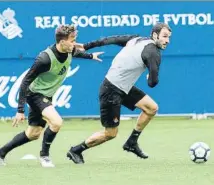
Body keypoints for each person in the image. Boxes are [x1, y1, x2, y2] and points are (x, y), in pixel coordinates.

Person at [0, 24, 104, 167]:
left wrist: (90, 56)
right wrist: (20, 110)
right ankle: (44, 156)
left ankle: (0, 153)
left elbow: (75, 52)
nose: (74, 43)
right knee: (56, 122)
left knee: (33, 133)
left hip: (47, 95)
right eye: (72, 40)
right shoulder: (44, 59)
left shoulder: (69, 49)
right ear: (62, 42)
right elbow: (25, 82)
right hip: (35, 94)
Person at [67, 22, 172, 164]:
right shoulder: (153, 53)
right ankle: (76, 150)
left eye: (169, 37)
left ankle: (131, 142)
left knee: (151, 108)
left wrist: (87, 46)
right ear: (154, 35)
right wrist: (150, 78)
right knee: (110, 133)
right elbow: (152, 83)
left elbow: (111, 39)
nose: (167, 41)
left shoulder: (136, 39)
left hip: (124, 87)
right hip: (111, 90)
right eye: (164, 36)